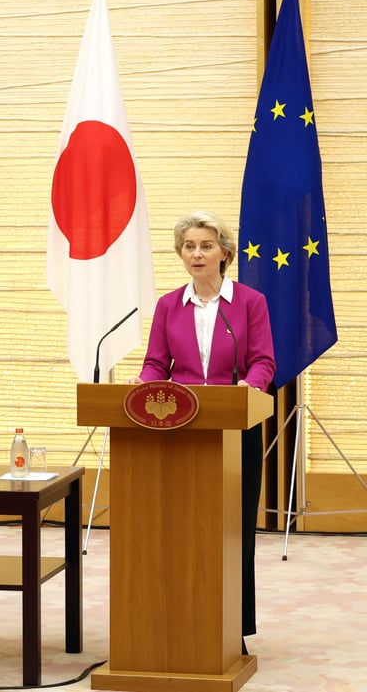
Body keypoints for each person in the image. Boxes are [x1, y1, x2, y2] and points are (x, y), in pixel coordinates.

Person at [127, 210, 275, 653]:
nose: (197, 253)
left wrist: (246, 392)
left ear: (224, 253)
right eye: (189, 246)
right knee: (181, 529)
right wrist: (145, 380)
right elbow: (158, 363)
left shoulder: (250, 303)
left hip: (235, 430)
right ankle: (177, 617)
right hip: (181, 432)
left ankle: (233, 628)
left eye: (206, 245)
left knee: (232, 530)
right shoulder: (169, 305)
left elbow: (263, 362)